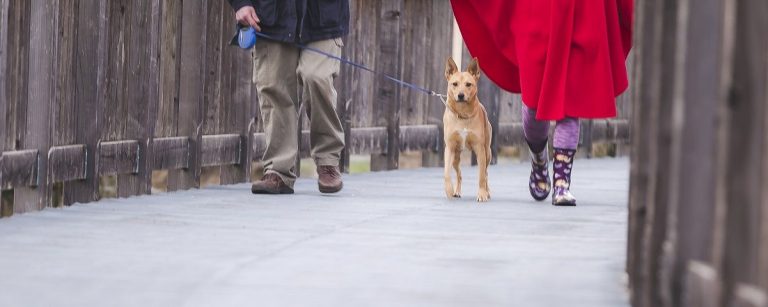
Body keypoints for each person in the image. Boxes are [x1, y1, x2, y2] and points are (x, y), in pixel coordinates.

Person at [450, 0, 633, 206]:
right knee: (534, 106)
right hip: (537, 17)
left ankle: (562, 184)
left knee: (570, 103)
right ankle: (539, 158)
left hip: (583, 14)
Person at [227, 0, 350, 194]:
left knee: (317, 77)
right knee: (274, 87)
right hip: (270, 15)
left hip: (324, 15)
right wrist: (241, 3)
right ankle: (278, 170)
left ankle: (328, 161)